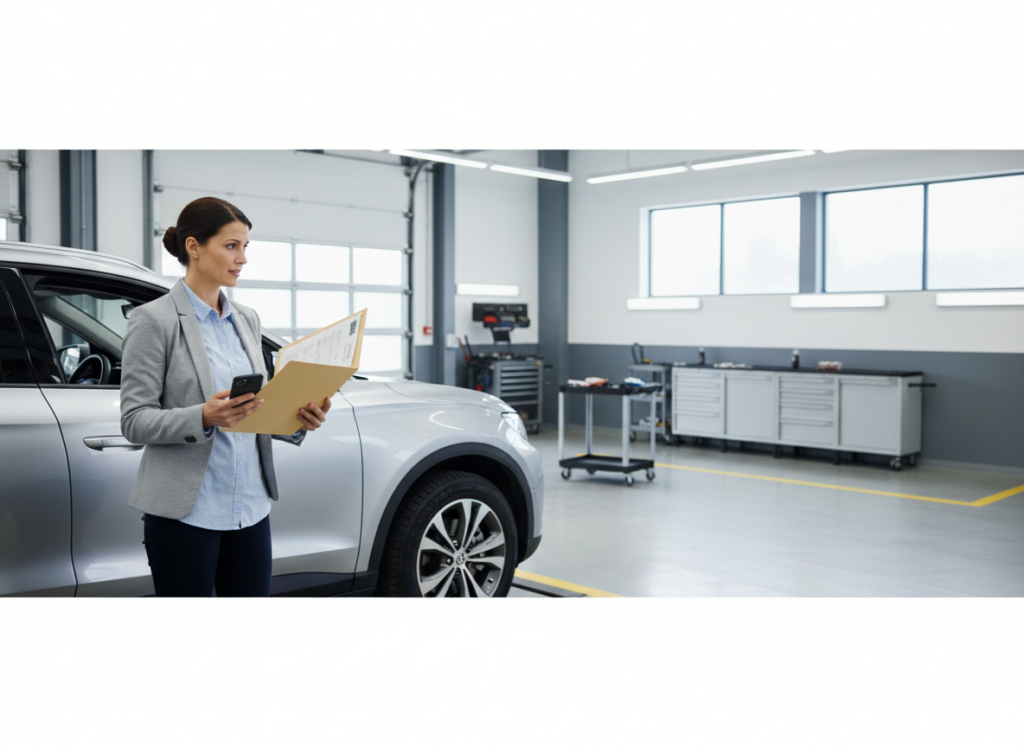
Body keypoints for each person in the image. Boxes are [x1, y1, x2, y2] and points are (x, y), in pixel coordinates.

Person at [120, 196, 332, 597]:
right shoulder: (153, 321)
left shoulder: (247, 319)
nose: (242, 258)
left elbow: (257, 408)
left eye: (245, 247)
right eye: (231, 246)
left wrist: (298, 419)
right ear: (194, 247)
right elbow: (134, 420)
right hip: (187, 513)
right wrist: (203, 416)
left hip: (250, 508)